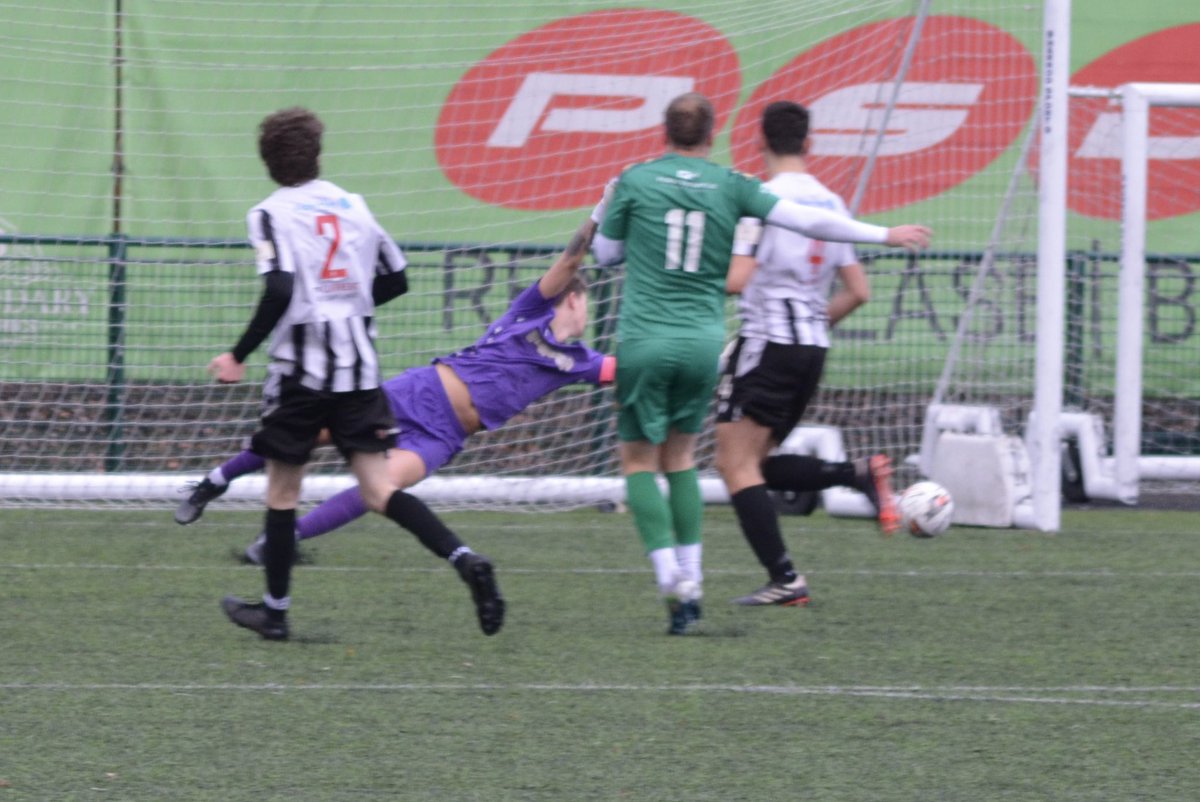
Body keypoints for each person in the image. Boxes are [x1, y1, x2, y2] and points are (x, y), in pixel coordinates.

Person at [591, 92, 930, 635]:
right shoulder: (782, 194)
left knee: (679, 463)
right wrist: (886, 234)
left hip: (710, 339)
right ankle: (848, 481)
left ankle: (726, 579)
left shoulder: (664, 183)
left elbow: (616, 258)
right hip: (768, 344)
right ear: (714, 134)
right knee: (718, 461)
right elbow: (834, 256)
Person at [211, 107, 503, 641]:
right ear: (317, 155)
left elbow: (278, 289)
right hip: (359, 376)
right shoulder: (354, 206)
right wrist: (349, 309)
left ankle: (274, 613)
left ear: (268, 163)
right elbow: (396, 277)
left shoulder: (269, 213)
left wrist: (237, 354)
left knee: (281, 492)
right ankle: (465, 560)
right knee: (379, 490)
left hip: (302, 376)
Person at [178, 210, 614, 566]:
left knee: (379, 491)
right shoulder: (531, 309)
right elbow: (570, 261)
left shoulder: (579, 362)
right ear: (574, 299)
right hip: (419, 393)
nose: (587, 314)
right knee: (308, 436)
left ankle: (280, 540)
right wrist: (599, 215)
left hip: (445, 436)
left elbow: (631, 370)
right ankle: (214, 481)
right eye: (586, 304)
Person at [715, 100, 901, 609]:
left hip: (767, 343)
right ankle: (855, 474)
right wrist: (813, 325)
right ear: (809, 144)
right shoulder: (832, 204)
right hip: (812, 349)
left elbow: (739, 278)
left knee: (734, 464)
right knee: (754, 462)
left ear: (759, 142)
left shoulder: (760, 198)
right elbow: (859, 291)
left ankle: (785, 578)